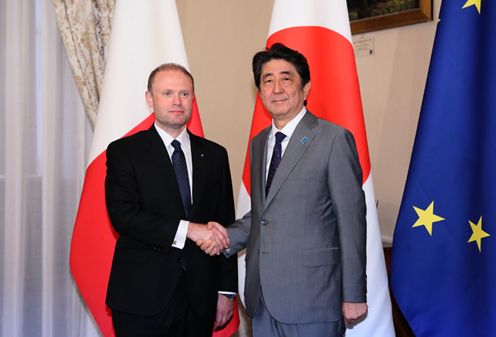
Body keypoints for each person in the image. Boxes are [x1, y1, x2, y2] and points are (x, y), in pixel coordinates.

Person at [201, 43, 368, 337]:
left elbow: (351, 221)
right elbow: (266, 214)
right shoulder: (259, 143)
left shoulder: (333, 139)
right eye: (267, 80)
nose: (276, 88)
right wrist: (224, 236)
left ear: (305, 89)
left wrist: (354, 293)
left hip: (314, 299)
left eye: (286, 78)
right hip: (262, 299)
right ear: (260, 91)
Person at [105, 63, 237, 337]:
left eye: (184, 94)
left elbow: (225, 224)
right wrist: (189, 229)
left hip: (200, 299)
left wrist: (226, 291)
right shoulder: (124, 151)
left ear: (193, 99)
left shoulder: (215, 155)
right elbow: (123, 215)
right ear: (149, 99)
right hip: (142, 299)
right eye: (167, 93)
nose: (177, 101)